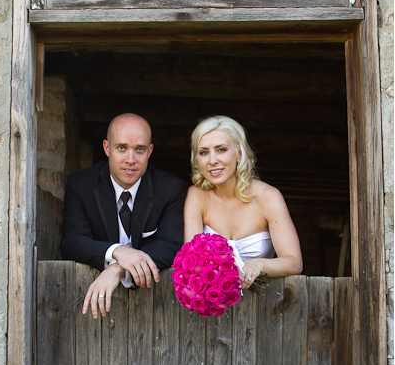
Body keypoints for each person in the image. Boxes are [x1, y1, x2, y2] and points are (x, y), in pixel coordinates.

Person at [61, 113, 188, 319]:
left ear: (150, 151)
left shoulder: (172, 189)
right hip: (90, 314)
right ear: (106, 148)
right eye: (121, 148)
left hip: (160, 312)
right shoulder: (80, 185)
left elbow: (173, 245)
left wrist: (119, 268)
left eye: (139, 150)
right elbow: (72, 243)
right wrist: (117, 251)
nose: (131, 160)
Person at [183, 115, 302, 284]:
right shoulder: (196, 196)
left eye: (221, 150)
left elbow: (294, 263)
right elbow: (192, 260)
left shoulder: (268, 197)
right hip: (211, 304)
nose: (212, 160)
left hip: (263, 303)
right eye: (204, 152)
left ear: (239, 153)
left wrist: (258, 265)